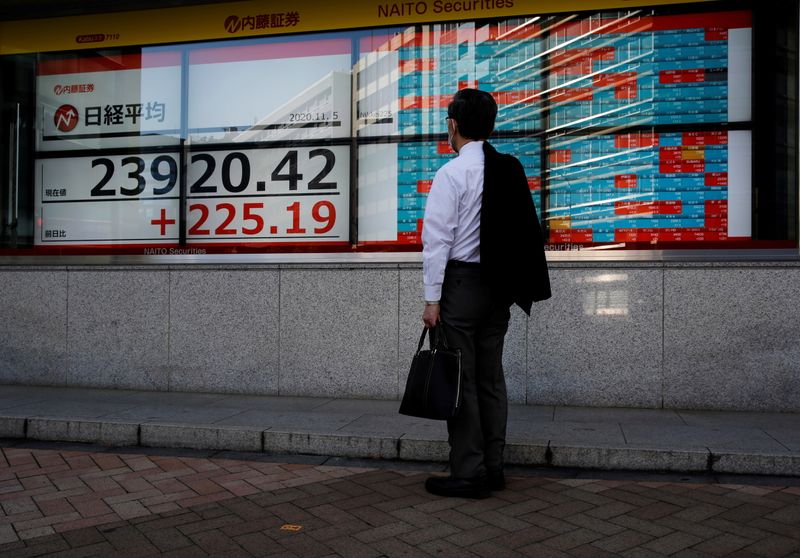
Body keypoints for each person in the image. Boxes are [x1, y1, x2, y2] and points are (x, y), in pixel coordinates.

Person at [421, 88, 551, 499]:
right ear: (490, 126)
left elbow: (437, 241)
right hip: (500, 290)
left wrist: (431, 298)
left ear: (454, 125)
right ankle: (493, 467)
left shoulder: (452, 173)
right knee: (491, 377)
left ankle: (468, 472)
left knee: (462, 379)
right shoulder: (508, 168)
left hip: (461, 287)